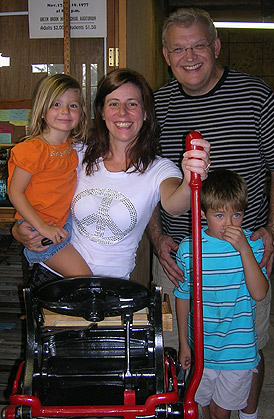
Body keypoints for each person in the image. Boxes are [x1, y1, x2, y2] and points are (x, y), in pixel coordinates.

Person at [147, 7, 274, 419]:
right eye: (179, 48)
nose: (189, 56)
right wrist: (157, 237)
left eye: (199, 45)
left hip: (242, 253)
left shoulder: (254, 95)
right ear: (166, 54)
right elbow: (143, 180)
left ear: (216, 47)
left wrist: (271, 232)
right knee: (182, 348)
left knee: (246, 344)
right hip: (181, 256)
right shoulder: (157, 105)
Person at [12, 68, 210, 289]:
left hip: (110, 288)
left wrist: (191, 178)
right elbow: (30, 192)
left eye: (132, 104)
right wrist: (19, 230)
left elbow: (175, 205)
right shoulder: (76, 154)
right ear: (102, 112)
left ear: (145, 113)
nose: (122, 113)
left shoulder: (159, 169)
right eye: (113, 104)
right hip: (54, 278)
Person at [175, 168, 269, 419]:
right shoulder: (191, 248)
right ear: (202, 214)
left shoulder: (251, 248)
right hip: (202, 348)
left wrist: (244, 249)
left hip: (237, 352)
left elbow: (259, 292)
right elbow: (183, 295)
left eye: (236, 215)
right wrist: (185, 345)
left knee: (221, 413)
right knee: (198, 409)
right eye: (219, 215)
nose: (229, 223)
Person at [7, 73, 92, 278]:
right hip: (40, 228)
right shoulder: (32, 149)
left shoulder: (72, 148)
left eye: (73, 105)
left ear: (81, 112)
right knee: (85, 279)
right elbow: (15, 192)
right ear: (42, 111)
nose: (65, 111)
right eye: (56, 104)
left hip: (63, 223)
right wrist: (43, 228)